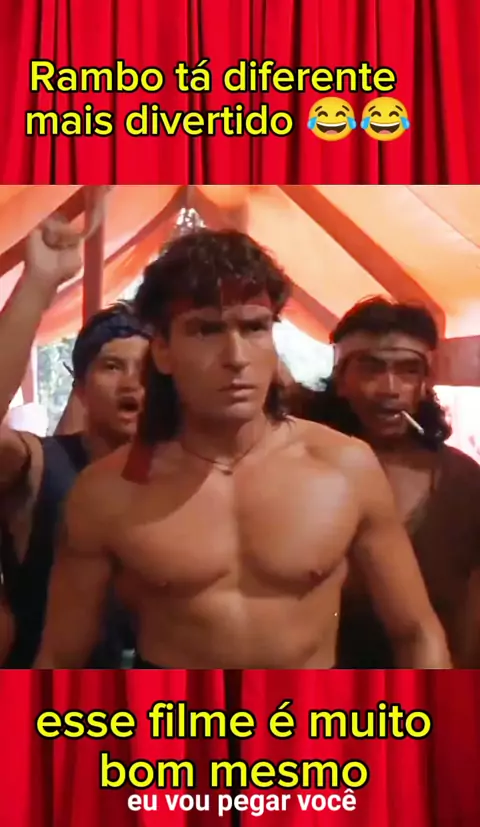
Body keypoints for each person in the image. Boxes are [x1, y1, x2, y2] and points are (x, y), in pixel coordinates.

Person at [35, 230, 451, 670]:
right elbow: (61, 656)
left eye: (254, 327)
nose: (235, 356)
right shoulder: (107, 492)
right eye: (206, 329)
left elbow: (417, 633)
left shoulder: (345, 467)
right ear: (163, 352)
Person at [291, 297, 480, 668]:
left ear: (425, 383)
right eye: (371, 369)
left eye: (408, 370)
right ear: (341, 379)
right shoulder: (296, 468)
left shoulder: (463, 483)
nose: (390, 388)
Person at [0, 217, 149, 667]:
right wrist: (38, 283)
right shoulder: (42, 466)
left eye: (146, 370)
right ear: (80, 389)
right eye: (112, 366)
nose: (132, 383)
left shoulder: (182, 473)